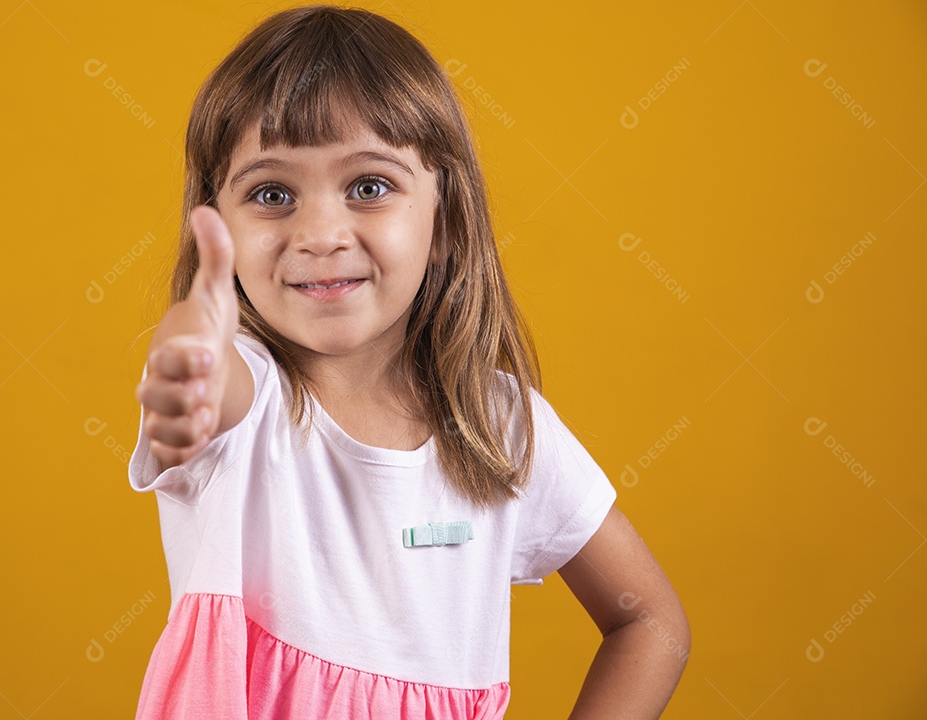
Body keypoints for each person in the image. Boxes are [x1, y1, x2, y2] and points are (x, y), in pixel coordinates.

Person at [128, 5, 689, 718]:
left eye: (368, 186)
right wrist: (190, 357)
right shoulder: (246, 401)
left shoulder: (501, 424)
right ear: (220, 224)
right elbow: (212, 372)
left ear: (445, 219)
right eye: (272, 194)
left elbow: (651, 623)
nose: (321, 234)